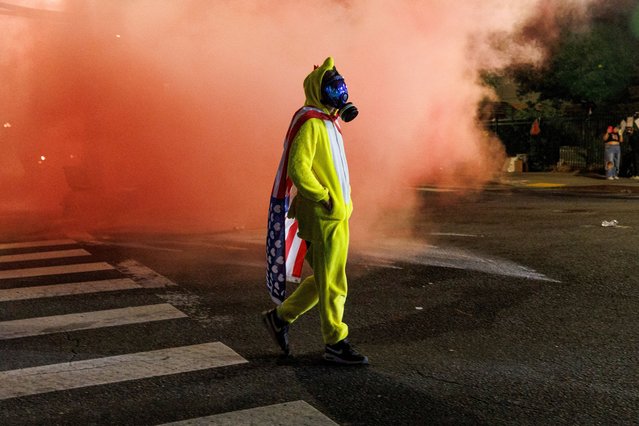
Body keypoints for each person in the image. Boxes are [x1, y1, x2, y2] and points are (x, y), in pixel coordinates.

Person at [262, 57, 368, 365]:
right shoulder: (310, 122)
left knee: (325, 279)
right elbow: (299, 168)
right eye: (334, 87)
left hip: (334, 214)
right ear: (318, 91)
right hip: (322, 215)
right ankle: (336, 341)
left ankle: (280, 318)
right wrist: (324, 197)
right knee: (334, 282)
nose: (341, 91)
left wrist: (343, 200)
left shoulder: (328, 123)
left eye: (341, 85)